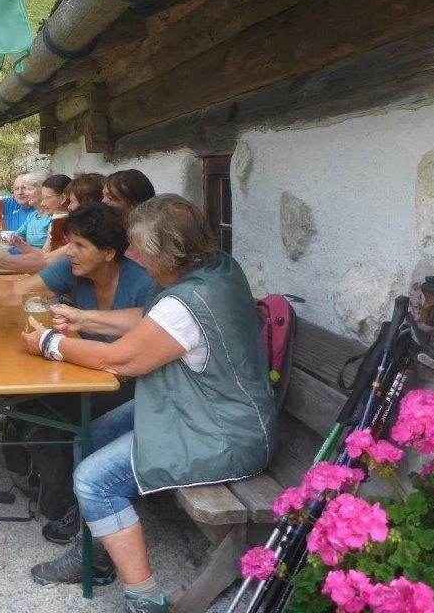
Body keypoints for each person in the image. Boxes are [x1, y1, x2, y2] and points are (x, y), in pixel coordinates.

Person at [24, 195, 276, 613]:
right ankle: (98, 555)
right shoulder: (215, 267)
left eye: (142, 249)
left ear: (171, 252)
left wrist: (49, 343)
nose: (134, 256)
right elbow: (149, 317)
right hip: (200, 408)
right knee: (89, 433)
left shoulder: (187, 300)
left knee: (94, 480)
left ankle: (144, 601)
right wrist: (84, 320)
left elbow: (119, 358)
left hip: (224, 433)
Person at [0, 203, 154, 543]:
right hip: (83, 367)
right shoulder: (72, 270)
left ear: (108, 252)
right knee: (29, 402)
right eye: (69, 242)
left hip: (127, 381)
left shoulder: (141, 284)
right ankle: (41, 482)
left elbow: (141, 355)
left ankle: (69, 506)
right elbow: (17, 291)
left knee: (46, 413)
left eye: (79, 245)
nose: (69, 252)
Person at [0, 173, 95, 274]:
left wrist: (0, 261)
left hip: (51, 275)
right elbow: (8, 242)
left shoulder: (63, 223)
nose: (43, 203)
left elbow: (45, 259)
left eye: (29, 189)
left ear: (63, 198)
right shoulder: (42, 218)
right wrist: (1, 226)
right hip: (41, 271)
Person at [7, 173, 70, 253]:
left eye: (29, 189)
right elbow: (16, 236)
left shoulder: (57, 219)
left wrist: (19, 244)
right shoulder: (32, 216)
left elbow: (46, 256)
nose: (24, 193)